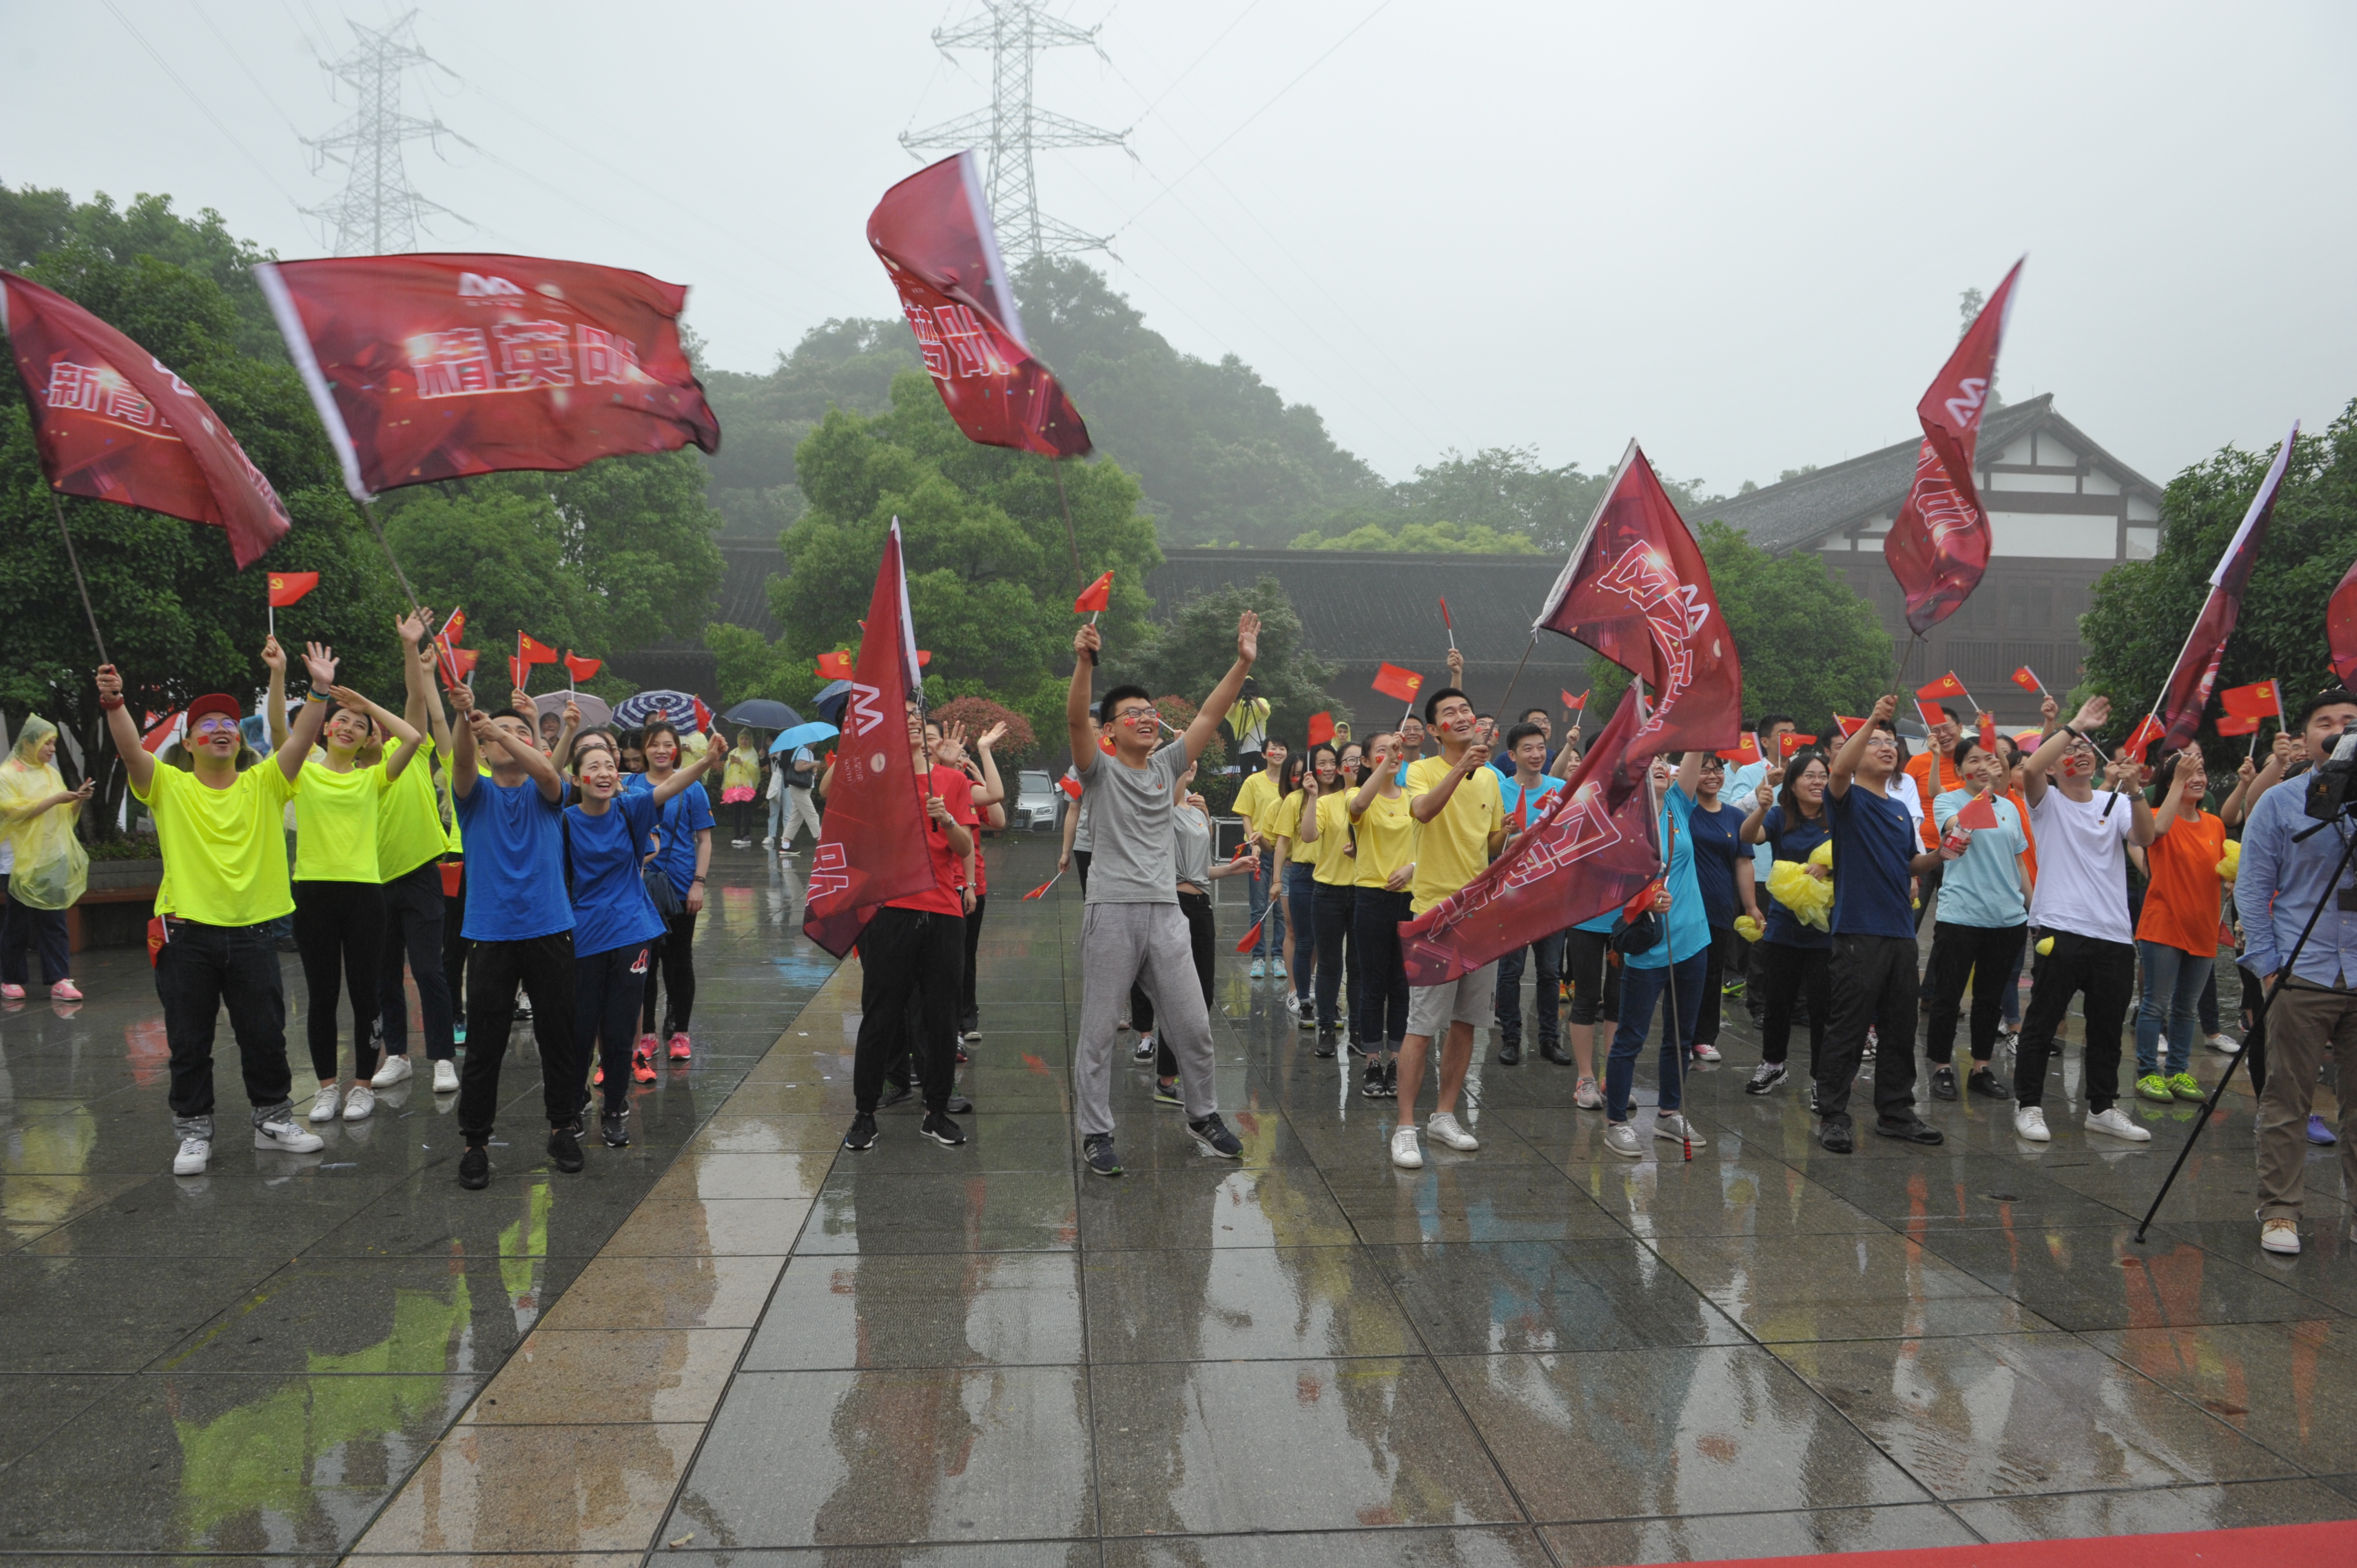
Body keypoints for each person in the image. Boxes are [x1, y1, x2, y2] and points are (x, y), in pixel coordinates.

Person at [103, 647, 336, 1175]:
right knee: (189, 1039)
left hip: (253, 931)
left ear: (241, 738)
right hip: (185, 932)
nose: (222, 730)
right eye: (207, 724)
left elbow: (300, 740)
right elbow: (131, 752)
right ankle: (193, 1130)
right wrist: (115, 703)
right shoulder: (169, 786)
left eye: (229, 723)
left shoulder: (266, 782)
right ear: (188, 743)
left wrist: (319, 691)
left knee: (264, 1033)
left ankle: (274, 1120)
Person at [1064, 616, 1255, 1177]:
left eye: (1150, 714)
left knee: (1193, 1024)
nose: (1147, 720)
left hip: (1166, 912)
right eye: (1133, 714)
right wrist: (1083, 662)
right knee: (1099, 1030)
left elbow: (1209, 714)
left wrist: (1242, 661)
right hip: (1111, 911)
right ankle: (1096, 1132)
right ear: (1109, 731)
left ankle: (1202, 1116)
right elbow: (1076, 716)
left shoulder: (1166, 766)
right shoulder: (1096, 769)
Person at [264, 636, 424, 1126]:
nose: (350, 727)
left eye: (359, 726)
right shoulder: (303, 771)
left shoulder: (370, 777)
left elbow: (414, 738)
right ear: (324, 730)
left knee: (365, 994)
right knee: (321, 994)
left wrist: (365, 704)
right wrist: (279, 674)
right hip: (313, 891)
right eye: (342, 721)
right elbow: (276, 729)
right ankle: (327, 1088)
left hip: (363, 895)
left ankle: (361, 1086)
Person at [2234, 688, 2357, 1255]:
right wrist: (2265, 968)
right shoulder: (2280, 803)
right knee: (2288, 1098)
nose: (2335, 731)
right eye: (2324, 723)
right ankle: (2279, 1210)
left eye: (2348, 723)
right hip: (2299, 970)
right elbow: (2252, 887)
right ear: (2305, 741)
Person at [564, 726, 723, 1149]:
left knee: (619, 1030)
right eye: (591, 766)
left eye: (608, 765)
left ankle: (615, 1108)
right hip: (583, 937)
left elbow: (671, 784)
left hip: (631, 932)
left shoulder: (631, 810)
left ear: (618, 775)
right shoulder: (563, 822)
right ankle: (573, 1101)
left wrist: (706, 762)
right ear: (576, 779)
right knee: (580, 1028)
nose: (603, 772)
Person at [2011, 694, 2157, 1145]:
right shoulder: (2047, 801)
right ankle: (2030, 1105)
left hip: (2112, 932)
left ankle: (2102, 1107)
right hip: (2061, 927)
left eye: (2084, 749)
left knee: (2107, 1027)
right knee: (2043, 1020)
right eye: (2068, 751)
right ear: (2055, 766)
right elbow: (2031, 770)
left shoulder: (2111, 804)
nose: (2078, 753)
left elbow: (2147, 836)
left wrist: (2134, 791)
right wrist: (2074, 725)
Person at [833, 703, 976, 1153]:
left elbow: (964, 844)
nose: (912, 720)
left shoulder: (951, 781)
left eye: (918, 715)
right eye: (903, 715)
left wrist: (947, 817)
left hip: (943, 912)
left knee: (940, 1017)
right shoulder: (876, 780)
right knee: (881, 1013)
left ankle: (936, 1111)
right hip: (889, 911)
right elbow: (835, 801)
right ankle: (864, 1112)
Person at [1816, 697, 1947, 1154]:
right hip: (1858, 930)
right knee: (1848, 1027)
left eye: (1891, 743)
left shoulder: (1897, 809)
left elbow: (1912, 862)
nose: (1886, 747)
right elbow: (1836, 771)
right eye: (1875, 743)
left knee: (1899, 1026)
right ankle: (1833, 1113)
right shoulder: (1847, 798)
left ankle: (1896, 1111)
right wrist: (1872, 717)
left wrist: (1942, 854)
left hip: (1899, 932)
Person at [1388, 686, 1504, 1170]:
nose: (1462, 715)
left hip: (1480, 914)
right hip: (1434, 913)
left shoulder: (1493, 779)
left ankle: (1445, 1115)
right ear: (1434, 730)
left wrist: (1511, 834)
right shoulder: (1421, 771)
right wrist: (1462, 767)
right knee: (1421, 1026)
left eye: (1467, 708)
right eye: (1450, 713)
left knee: (1466, 1024)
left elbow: (1491, 844)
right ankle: (1405, 1127)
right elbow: (1423, 811)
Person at [1602, 752, 1712, 1159]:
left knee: (1681, 1036)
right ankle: (1616, 1121)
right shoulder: (1624, 824)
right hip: (1649, 948)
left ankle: (1668, 1112)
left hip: (1693, 941)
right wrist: (1646, 902)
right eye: (1651, 763)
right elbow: (1612, 885)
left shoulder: (1680, 805)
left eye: (1665, 761)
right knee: (1630, 1037)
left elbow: (1695, 751)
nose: (1662, 767)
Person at [371, 614, 462, 1094]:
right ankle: (398, 1055)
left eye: (366, 724)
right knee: (385, 974)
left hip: (421, 875)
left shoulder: (406, 750)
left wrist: (411, 651)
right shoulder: (338, 774)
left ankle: (443, 1057)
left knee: (430, 970)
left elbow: (413, 703)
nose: (360, 731)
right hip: (372, 882)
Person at [1924, 735, 2030, 1102]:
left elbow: (2019, 864)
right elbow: (1958, 826)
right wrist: (1987, 790)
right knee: (1948, 998)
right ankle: (1941, 1068)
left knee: (1990, 1000)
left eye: (1989, 759)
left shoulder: (2012, 809)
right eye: (1973, 761)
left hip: (2007, 920)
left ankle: (1981, 1068)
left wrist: (2036, 912)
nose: (1983, 766)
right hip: (1961, 917)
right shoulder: (1947, 801)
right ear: (1958, 770)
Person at [1147, 759, 1250, 1102]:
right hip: (1173, 904)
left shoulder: (1195, 806)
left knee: (1202, 997)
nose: (1189, 766)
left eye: (1192, 761)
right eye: (1181, 760)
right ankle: (1167, 1079)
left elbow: (1200, 870)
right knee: (1177, 996)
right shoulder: (1160, 802)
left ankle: (1179, 1074)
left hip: (1202, 907)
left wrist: (1232, 869)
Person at [1741, 749, 1832, 1095]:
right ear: (1792, 783)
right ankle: (1773, 1065)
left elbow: (1853, 852)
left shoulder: (1837, 816)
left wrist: (1828, 864)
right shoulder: (1780, 816)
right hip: (1784, 924)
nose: (1817, 782)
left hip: (1826, 928)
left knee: (1823, 1007)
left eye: (1822, 776)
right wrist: (1761, 807)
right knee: (1778, 1001)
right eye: (1809, 776)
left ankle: (1822, 1078)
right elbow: (1749, 837)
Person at [632, 720, 712, 1067]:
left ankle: (681, 1031)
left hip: (681, 885)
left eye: (668, 744)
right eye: (654, 744)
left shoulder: (692, 786)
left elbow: (705, 840)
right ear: (644, 749)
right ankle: (647, 1034)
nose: (661, 750)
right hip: (639, 887)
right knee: (643, 965)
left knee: (680, 963)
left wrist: (699, 882)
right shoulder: (629, 785)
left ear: (677, 749)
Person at [1490, 722, 1566, 1067]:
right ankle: (1510, 1037)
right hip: (1511, 895)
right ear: (1512, 755)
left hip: (1551, 894)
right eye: (1528, 749)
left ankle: (1550, 1039)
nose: (1536, 755)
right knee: (1511, 970)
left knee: (1551, 972)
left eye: (1541, 748)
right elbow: (1490, 845)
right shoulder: (1498, 791)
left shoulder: (1561, 789)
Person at [0, 715, 90, 1003]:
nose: (52, 749)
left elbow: (63, 818)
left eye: (54, 743)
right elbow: (12, 812)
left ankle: (60, 978)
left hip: (50, 858)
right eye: (47, 743)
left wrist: (76, 800)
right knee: (18, 921)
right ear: (29, 742)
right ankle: (10, 978)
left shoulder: (51, 774)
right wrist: (56, 799)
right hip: (15, 860)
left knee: (55, 919)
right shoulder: (7, 774)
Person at [1349, 732, 1417, 1097]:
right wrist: (1381, 765)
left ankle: (1397, 1060)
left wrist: (1412, 867)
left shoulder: (1413, 800)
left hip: (1409, 901)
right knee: (1373, 984)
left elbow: (1426, 845)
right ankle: (1372, 1061)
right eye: (1383, 750)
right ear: (1366, 760)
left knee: (1402, 985)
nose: (1394, 754)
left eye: (1397, 749)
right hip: (1371, 899)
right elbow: (1359, 804)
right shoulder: (1359, 798)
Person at [1685, 750, 1753, 1066]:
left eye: (1718, 770)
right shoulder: (1682, 809)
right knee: (1686, 975)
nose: (1713, 776)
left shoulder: (1735, 816)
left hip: (1719, 906)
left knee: (1713, 976)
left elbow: (1743, 863)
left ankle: (1703, 1039)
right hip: (1685, 907)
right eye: (1705, 770)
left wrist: (1750, 906)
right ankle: (1681, 1035)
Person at [1300, 738, 1363, 1059]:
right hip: (1328, 893)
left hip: (1366, 892)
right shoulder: (1327, 802)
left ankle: (1358, 1031)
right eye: (1348, 760)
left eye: (1359, 759)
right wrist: (1313, 798)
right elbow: (1309, 835)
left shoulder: (1378, 799)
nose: (1354, 764)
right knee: (1328, 965)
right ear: (1339, 769)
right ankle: (1326, 1028)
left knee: (1359, 966)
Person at [1273, 746, 1332, 1025]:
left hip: (1333, 874)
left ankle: (1317, 991)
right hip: (1302, 874)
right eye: (1322, 764)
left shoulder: (1342, 797)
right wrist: (1275, 879)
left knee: (1323, 939)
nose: (1329, 768)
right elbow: (1283, 841)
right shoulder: (1296, 800)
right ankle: (1297, 992)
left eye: (1334, 762)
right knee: (1301, 936)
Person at [1233, 740, 1288, 979]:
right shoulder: (1253, 781)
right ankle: (1258, 958)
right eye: (1273, 749)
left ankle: (1278, 958)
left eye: (1282, 749)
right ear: (1264, 754)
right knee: (1258, 907)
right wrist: (1252, 843)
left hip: (1284, 852)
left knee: (1281, 909)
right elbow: (1246, 814)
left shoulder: (1291, 784)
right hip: (1258, 851)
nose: (1278, 752)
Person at [776, 739, 825, 858]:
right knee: (812, 815)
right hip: (799, 789)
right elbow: (798, 768)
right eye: (815, 741)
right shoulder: (803, 750)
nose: (816, 743)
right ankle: (823, 843)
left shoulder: (807, 751)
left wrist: (812, 768)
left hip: (802, 788)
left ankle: (786, 845)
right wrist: (813, 764)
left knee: (796, 817)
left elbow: (804, 767)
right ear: (809, 741)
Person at [721, 728, 761, 847]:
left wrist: (742, 763)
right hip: (736, 785)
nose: (744, 741)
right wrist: (731, 763)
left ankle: (746, 834)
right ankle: (737, 834)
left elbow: (755, 770)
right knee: (736, 810)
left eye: (746, 739)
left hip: (747, 785)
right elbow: (726, 767)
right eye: (742, 739)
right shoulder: (734, 752)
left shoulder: (753, 753)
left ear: (751, 740)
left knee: (747, 810)